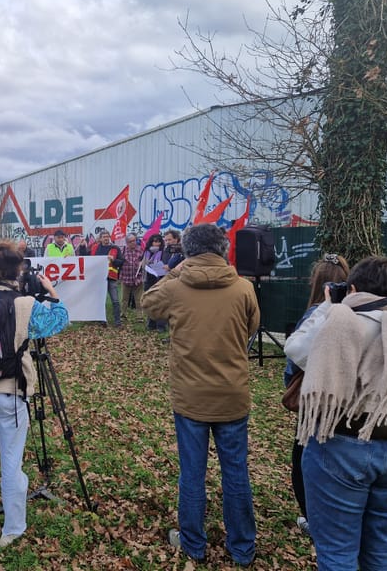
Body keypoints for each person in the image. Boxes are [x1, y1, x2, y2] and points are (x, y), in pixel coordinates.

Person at [284, 256, 387, 571]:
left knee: (338, 550)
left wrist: (327, 306)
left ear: (352, 287)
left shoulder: (341, 323)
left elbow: (296, 349)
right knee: (379, 541)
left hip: (342, 442)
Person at [141, 223, 259, 567]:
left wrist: (175, 270)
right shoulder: (243, 288)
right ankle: (243, 548)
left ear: (188, 251)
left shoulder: (176, 287)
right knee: (235, 472)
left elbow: (149, 303)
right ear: (223, 249)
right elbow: (251, 328)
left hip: (190, 396)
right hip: (232, 394)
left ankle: (193, 543)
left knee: (192, 473)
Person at [0, 241, 69, 548]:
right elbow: (58, 320)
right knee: (11, 462)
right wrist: (53, 292)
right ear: (19, 271)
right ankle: (12, 528)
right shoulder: (25, 305)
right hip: (11, 391)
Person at [283, 252, 349, 536]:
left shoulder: (316, 313)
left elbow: (294, 356)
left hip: (315, 398)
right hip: (345, 397)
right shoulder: (357, 312)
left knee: (303, 460)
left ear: (318, 282)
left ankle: (313, 518)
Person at [88, 230, 125, 327]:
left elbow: (121, 262)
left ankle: (117, 321)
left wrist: (114, 260)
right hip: (99, 278)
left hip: (111, 277)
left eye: (107, 236)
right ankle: (102, 320)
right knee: (101, 300)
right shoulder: (95, 248)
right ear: (100, 239)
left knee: (115, 300)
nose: (106, 238)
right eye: (104, 236)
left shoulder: (115, 248)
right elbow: (87, 258)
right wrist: (83, 246)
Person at [118, 232, 144, 322]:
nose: (133, 243)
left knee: (139, 299)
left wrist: (143, 263)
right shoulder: (122, 251)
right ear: (127, 243)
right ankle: (123, 315)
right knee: (124, 299)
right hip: (126, 277)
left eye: (134, 241)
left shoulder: (141, 250)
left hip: (138, 278)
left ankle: (139, 317)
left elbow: (145, 261)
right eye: (130, 241)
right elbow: (119, 262)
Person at [142, 233, 165, 331]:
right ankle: (151, 323)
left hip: (159, 278)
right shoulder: (147, 252)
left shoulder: (163, 252)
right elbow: (141, 263)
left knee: (160, 302)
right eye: (155, 241)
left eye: (159, 241)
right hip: (148, 279)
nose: (157, 243)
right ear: (151, 242)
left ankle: (160, 325)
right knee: (150, 301)